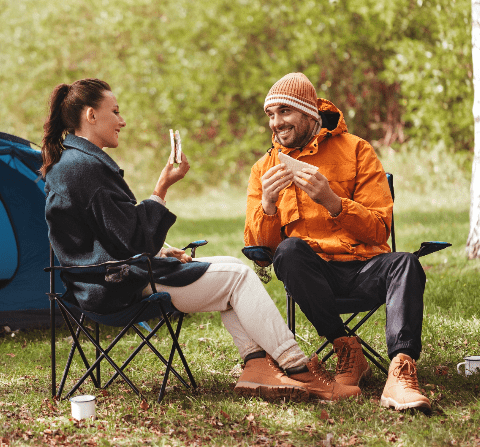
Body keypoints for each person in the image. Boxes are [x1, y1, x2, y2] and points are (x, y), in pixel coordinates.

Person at [41, 78, 360, 403]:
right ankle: (299, 369)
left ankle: (256, 365)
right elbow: (134, 238)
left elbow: (105, 235)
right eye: (116, 111)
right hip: (117, 286)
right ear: (91, 116)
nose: (122, 121)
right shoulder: (85, 169)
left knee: (232, 269)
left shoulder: (73, 163)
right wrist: (161, 188)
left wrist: (163, 249)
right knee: (238, 277)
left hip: (99, 281)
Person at [244, 72, 431, 412]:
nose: (275, 122)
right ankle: (346, 349)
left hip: (365, 268)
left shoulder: (358, 150)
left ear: (308, 113)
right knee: (289, 250)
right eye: (270, 115)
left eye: (284, 111)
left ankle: (401, 373)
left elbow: (379, 228)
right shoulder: (264, 169)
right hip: (315, 278)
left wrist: (332, 201)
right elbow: (263, 256)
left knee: (406, 262)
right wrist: (268, 208)